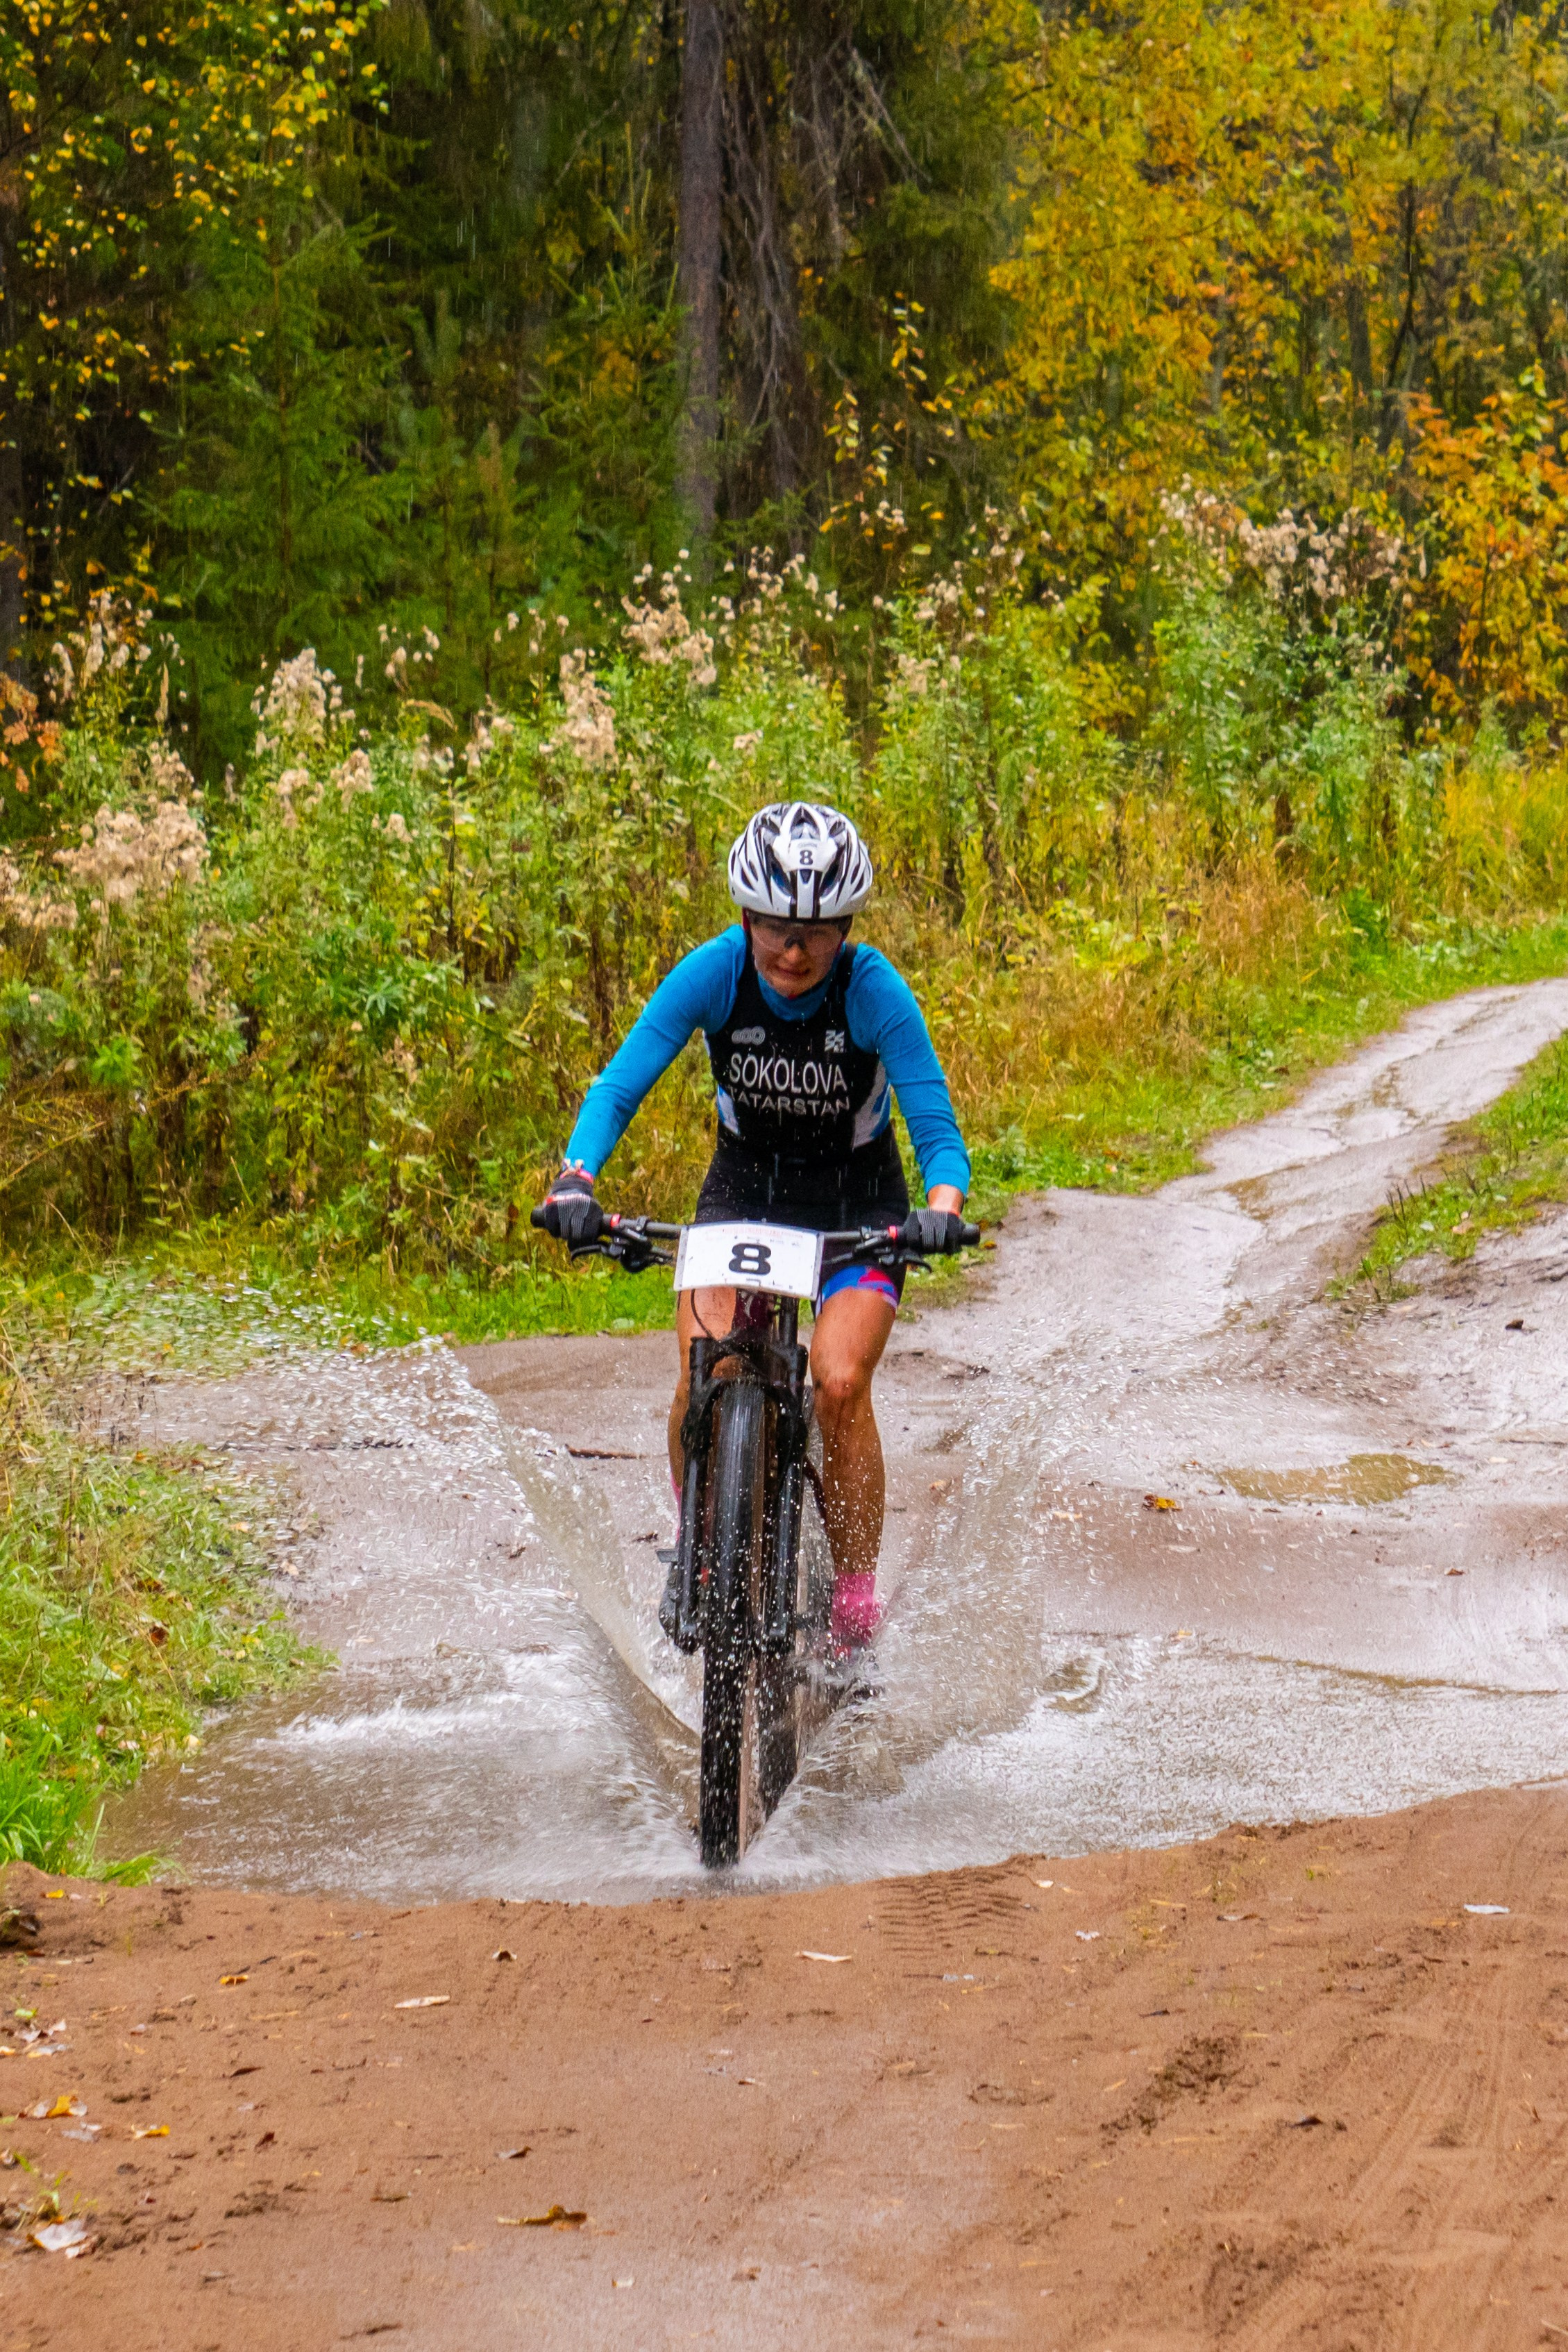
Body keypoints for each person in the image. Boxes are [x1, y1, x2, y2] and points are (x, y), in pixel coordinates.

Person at [536, 800, 970, 1655]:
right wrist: (576, 1179)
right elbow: (620, 1085)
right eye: (775, 927)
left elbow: (936, 1126)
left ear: (846, 927)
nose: (795, 950)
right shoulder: (713, 973)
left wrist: (942, 1210)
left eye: (818, 931)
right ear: (745, 916)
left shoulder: (874, 990)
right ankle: (700, 1541)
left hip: (857, 1208)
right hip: (743, 1194)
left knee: (840, 1385)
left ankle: (851, 1604)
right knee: (704, 1368)